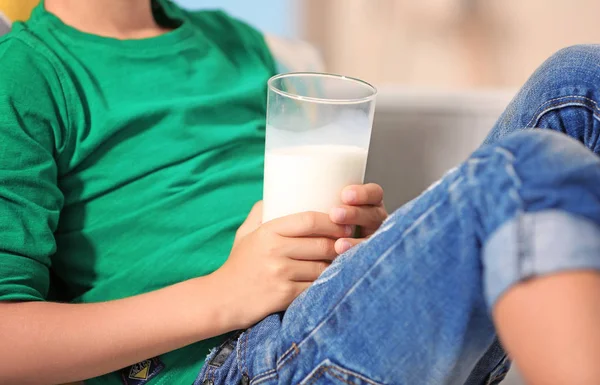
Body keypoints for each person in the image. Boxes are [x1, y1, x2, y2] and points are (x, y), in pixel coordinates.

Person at [0, 1, 598, 385]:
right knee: (521, 171)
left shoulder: (238, 44)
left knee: (579, 79)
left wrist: (353, 237)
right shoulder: (27, 73)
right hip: (227, 365)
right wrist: (226, 294)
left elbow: (283, 211)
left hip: (321, 314)